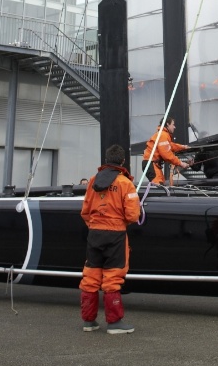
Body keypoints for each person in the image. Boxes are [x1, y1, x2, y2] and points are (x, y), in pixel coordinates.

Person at [79, 144, 142, 335]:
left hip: (94, 233)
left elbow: (85, 210)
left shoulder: (92, 180)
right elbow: (132, 215)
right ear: (123, 161)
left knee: (90, 277)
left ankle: (89, 321)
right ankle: (114, 323)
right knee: (113, 277)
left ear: (106, 160)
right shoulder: (125, 183)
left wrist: (95, 224)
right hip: (115, 234)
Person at [142, 117, 190, 184]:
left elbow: (170, 145)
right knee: (158, 185)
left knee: (161, 183)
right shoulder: (163, 135)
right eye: (173, 124)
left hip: (152, 164)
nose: (174, 127)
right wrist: (181, 163)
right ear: (167, 124)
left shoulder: (162, 134)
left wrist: (183, 147)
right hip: (151, 164)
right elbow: (167, 155)